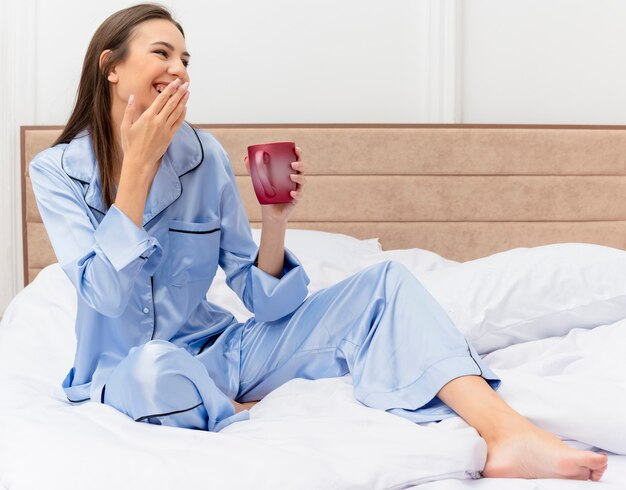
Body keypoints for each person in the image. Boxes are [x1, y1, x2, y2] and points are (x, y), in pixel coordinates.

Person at [30, 3, 607, 481]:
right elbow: (103, 296)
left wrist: (275, 220)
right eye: (162, 53)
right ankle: (234, 413)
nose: (179, 68)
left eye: (185, 58)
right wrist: (137, 168)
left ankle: (506, 431)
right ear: (111, 66)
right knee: (155, 371)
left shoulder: (203, 157)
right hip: (124, 370)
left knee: (387, 283)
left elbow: (269, 305)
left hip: (223, 352)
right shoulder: (56, 171)